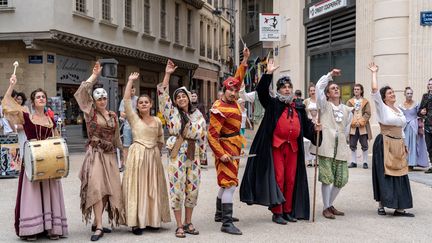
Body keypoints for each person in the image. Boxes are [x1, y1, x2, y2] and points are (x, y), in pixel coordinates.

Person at [239, 59, 322, 225]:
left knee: (291, 179)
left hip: (294, 149)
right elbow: (261, 92)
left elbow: (306, 127)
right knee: (279, 177)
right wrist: (268, 73)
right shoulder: (273, 104)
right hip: (276, 147)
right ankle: (277, 212)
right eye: (283, 87)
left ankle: (288, 210)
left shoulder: (298, 106)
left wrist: (316, 130)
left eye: (289, 87)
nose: (287, 89)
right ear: (278, 90)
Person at [3, 74, 68, 240]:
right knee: (32, 194)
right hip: (32, 160)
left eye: (43, 96)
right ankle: (33, 229)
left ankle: (51, 228)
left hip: (49, 160)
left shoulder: (50, 120)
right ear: (32, 101)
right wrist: (11, 85)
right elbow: (7, 104)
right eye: (38, 97)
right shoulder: (26, 115)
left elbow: (56, 139)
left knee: (49, 192)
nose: (41, 98)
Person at [74, 62, 125, 241]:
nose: (102, 101)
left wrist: (123, 157)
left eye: (104, 98)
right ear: (94, 101)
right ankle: (99, 227)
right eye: (99, 98)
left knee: (107, 190)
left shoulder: (112, 116)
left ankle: (98, 222)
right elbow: (80, 94)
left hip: (110, 155)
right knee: (96, 187)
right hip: (95, 154)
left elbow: (117, 138)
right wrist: (94, 76)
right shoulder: (90, 112)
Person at [157, 59, 207, 238]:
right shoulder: (171, 113)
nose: (181, 99)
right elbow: (163, 96)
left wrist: (203, 156)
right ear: (176, 101)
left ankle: (188, 222)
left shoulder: (198, 114)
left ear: (188, 97)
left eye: (183, 96)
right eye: (177, 97)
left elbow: (202, 134)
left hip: (193, 154)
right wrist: (168, 74)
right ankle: (179, 225)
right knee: (177, 188)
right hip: (177, 152)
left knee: (192, 188)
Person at [121, 72, 170, 235]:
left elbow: (161, 139)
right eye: (140, 102)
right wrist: (129, 81)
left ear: (150, 104)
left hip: (153, 156)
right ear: (138, 106)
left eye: (146, 102)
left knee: (152, 188)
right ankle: (136, 223)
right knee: (137, 188)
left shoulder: (157, 121)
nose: (143, 104)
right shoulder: (134, 119)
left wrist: (157, 153)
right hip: (138, 155)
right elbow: (127, 100)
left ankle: (152, 219)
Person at [208, 47, 249, 235]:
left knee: (227, 182)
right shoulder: (219, 108)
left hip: (234, 146)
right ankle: (226, 223)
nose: (234, 93)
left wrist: (244, 60)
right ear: (223, 90)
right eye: (230, 90)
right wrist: (221, 153)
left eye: (235, 90)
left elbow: (238, 79)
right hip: (225, 148)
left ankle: (219, 214)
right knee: (230, 184)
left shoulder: (233, 98)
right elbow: (211, 135)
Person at [368, 62, 414, 217]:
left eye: (393, 92)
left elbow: (401, 129)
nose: (393, 94)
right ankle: (382, 204)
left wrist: (405, 144)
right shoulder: (382, 107)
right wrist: (374, 72)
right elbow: (374, 90)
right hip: (385, 143)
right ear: (384, 97)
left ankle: (400, 208)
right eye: (389, 93)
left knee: (400, 173)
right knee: (385, 173)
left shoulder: (399, 110)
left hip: (398, 144)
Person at [315, 68, 353, 220]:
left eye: (337, 88)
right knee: (327, 177)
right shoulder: (324, 105)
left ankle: (330, 204)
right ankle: (326, 207)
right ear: (328, 94)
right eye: (332, 88)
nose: (336, 89)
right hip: (327, 145)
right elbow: (318, 87)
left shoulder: (346, 109)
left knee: (341, 177)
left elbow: (347, 128)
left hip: (341, 146)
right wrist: (329, 75)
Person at [399, 87, 429, 170]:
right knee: (405, 145)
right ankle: (405, 163)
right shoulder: (400, 106)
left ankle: (411, 164)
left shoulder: (416, 104)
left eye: (411, 93)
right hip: (405, 128)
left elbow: (420, 114)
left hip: (413, 128)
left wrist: (422, 113)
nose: (409, 95)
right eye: (408, 93)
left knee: (413, 145)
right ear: (404, 94)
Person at [346, 84, 372, 169]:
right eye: (355, 89)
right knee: (352, 144)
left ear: (361, 91)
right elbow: (347, 113)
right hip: (353, 127)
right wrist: (353, 122)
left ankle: (365, 162)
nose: (356, 91)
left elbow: (368, 113)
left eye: (358, 89)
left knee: (364, 144)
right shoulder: (349, 102)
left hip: (363, 126)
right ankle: (353, 162)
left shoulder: (365, 101)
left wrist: (361, 122)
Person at [119, 84, 138, 171]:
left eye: (133, 90)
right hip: (127, 126)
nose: (131, 91)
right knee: (126, 145)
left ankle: (136, 164)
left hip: (138, 126)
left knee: (137, 145)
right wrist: (131, 114)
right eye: (129, 90)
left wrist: (128, 114)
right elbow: (122, 114)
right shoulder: (124, 100)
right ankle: (125, 164)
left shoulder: (138, 99)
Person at [418, 78, 432, 173]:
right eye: (429, 84)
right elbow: (419, 111)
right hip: (428, 126)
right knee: (429, 147)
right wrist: (421, 112)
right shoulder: (425, 96)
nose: (430, 86)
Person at [303, 83, 318, 167]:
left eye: (314, 90)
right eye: (311, 90)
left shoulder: (319, 101)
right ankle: (308, 160)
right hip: (309, 123)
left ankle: (316, 159)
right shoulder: (306, 101)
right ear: (309, 92)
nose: (313, 92)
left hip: (317, 123)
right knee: (307, 142)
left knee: (316, 141)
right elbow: (303, 112)